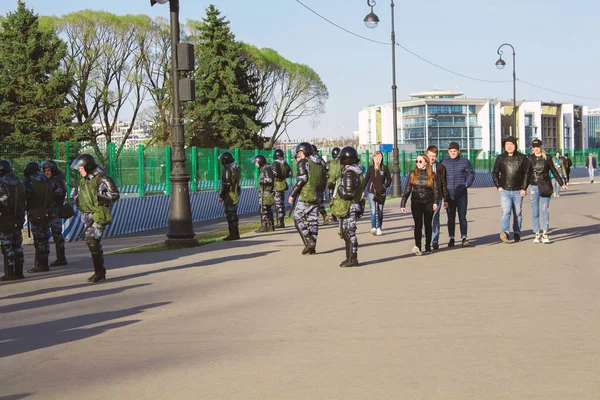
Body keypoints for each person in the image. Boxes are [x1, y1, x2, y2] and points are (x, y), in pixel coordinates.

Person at [71, 154, 120, 282]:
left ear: (88, 166)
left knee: (92, 240)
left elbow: (114, 195)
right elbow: (75, 196)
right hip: (86, 216)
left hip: (98, 214)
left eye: (81, 168)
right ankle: (99, 271)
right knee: (93, 243)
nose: (79, 171)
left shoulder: (102, 179)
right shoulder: (81, 181)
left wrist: (99, 195)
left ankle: (99, 272)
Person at [527, 139, 567, 244]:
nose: (536, 148)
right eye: (534, 147)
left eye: (538, 146)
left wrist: (562, 183)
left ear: (541, 146)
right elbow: (526, 173)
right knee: (535, 212)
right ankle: (537, 234)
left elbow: (553, 170)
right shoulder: (530, 158)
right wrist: (523, 188)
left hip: (545, 186)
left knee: (544, 210)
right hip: (533, 187)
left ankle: (545, 233)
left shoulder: (547, 157)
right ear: (532, 148)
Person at [331, 146, 365, 267]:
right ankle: (349, 258)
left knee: (350, 233)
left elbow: (349, 193)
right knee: (347, 233)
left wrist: (340, 189)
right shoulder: (355, 171)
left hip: (349, 207)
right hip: (351, 206)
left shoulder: (350, 173)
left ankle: (352, 259)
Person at [492, 136, 530, 243]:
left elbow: (526, 174)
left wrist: (524, 188)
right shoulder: (500, 158)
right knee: (506, 212)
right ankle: (505, 233)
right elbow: (495, 172)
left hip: (518, 190)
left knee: (517, 212)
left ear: (515, 146)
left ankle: (517, 232)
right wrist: (498, 186)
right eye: (507, 144)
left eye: (511, 144)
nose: (509, 146)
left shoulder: (522, 158)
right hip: (504, 190)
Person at [288, 142, 324, 255]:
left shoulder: (303, 162)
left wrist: (292, 194)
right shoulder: (319, 163)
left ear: (303, 152)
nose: (298, 155)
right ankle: (312, 248)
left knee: (297, 218)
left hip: (306, 195)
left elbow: (302, 179)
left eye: (299, 152)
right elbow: (324, 180)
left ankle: (308, 240)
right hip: (318, 195)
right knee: (313, 220)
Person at [401, 154, 438, 255]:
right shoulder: (412, 174)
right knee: (418, 225)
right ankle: (418, 246)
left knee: (428, 225)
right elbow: (408, 189)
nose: (418, 163)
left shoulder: (432, 175)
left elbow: (435, 190)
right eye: (416, 161)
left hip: (428, 202)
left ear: (426, 162)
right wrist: (403, 203)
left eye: (420, 161)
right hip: (416, 202)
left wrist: (435, 202)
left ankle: (427, 246)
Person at [441, 142, 475, 247]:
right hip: (449, 194)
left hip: (461, 194)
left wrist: (465, 185)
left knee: (462, 216)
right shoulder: (444, 162)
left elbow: (471, 174)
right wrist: (443, 192)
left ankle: (464, 237)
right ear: (448, 152)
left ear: (458, 151)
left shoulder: (464, 161)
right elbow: (441, 177)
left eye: (454, 151)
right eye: (451, 151)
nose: (453, 153)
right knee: (451, 217)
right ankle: (451, 238)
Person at [23, 162, 54, 273]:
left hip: (35, 212)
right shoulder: (47, 180)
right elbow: (55, 192)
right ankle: (44, 263)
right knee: (44, 239)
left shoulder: (29, 181)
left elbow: (26, 195)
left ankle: (40, 265)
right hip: (47, 212)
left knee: (39, 240)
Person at [0, 160, 25, 280]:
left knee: (7, 245)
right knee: (17, 245)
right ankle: (19, 272)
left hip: (5, 217)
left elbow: (3, 200)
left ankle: (9, 273)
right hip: (19, 217)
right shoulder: (19, 182)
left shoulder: (1, 182)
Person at [41, 160, 68, 267]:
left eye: (48, 170)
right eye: (44, 171)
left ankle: (61, 258)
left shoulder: (57, 180)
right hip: (48, 210)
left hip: (55, 210)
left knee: (57, 234)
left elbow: (60, 193)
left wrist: (50, 187)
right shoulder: (50, 180)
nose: (46, 173)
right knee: (45, 234)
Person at [364, 151, 391, 236]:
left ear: (382, 158)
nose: (377, 159)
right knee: (373, 210)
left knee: (380, 210)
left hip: (381, 192)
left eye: (379, 157)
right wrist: (361, 190)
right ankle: (373, 227)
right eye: (376, 157)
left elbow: (389, 179)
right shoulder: (371, 168)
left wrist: (385, 186)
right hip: (371, 192)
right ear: (373, 158)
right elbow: (366, 180)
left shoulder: (385, 168)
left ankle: (379, 227)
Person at [426, 145, 449, 250]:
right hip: (425, 197)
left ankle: (434, 241)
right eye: (430, 156)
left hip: (437, 197)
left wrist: (446, 199)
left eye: (434, 156)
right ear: (426, 154)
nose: (431, 158)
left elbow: (444, 183)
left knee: (434, 218)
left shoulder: (440, 167)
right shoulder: (421, 166)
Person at [218, 151, 241, 241]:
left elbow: (226, 184)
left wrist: (222, 195)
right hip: (234, 193)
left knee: (230, 214)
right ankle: (235, 233)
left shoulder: (227, 169)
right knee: (233, 214)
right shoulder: (235, 168)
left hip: (229, 195)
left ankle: (233, 234)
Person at [252, 154, 275, 233]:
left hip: (266, 193)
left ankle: (265, 226)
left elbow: (269, 180)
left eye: (256, 162)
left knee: (264, 210)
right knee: (267, 209)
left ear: (260, 162)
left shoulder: (266, 169)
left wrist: (261, 182)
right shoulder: (265, 169)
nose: (255, 164)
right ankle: (270, 225)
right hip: (266, 192)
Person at [272, 149, 292, 228]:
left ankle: (280, 222)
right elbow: (289, 174)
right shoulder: (285, 163)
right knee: (281, 204)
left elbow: (275, 174)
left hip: (277, 185)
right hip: (283, 184)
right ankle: (281, 221)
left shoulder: (275, 163)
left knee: (278, 205)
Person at [311, 144, 329, 226]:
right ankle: (324, 216)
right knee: (319, 201)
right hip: (322, 183)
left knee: (314, 202)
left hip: (315, 183)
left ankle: (315, 219)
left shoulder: (313, 161)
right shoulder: (321, 160)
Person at [326, 147, 341, 223]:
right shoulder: (341, 163)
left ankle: (333, 214)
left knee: (332, 199)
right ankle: (338, 213)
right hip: (339, 183)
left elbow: (325, 173)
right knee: (339, 198)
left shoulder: (329, 163)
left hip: (330, 184)